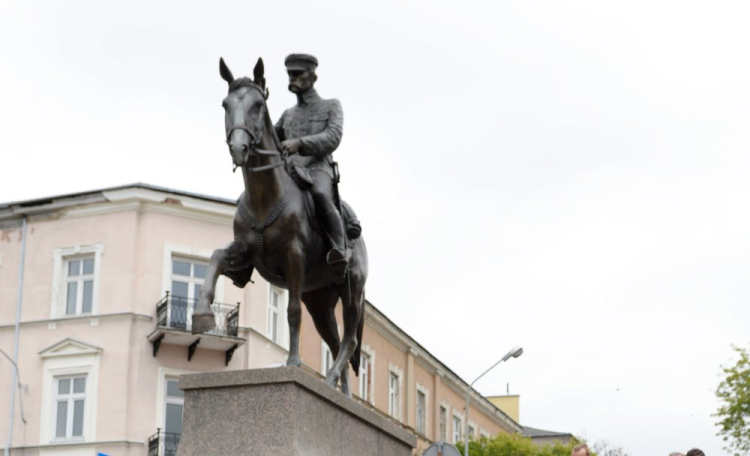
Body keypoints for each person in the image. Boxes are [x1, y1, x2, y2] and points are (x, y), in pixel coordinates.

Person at [275, 53, 354, 284]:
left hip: (318, 167)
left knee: (319, 194)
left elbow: (333, 137)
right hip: (289, 171)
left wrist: (300, 143)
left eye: (298, 74)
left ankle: (338, 251)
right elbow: (270, 136)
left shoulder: (331, 105)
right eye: (290, 74)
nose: (293, 78)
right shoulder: (288, 114)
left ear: (312, 76)